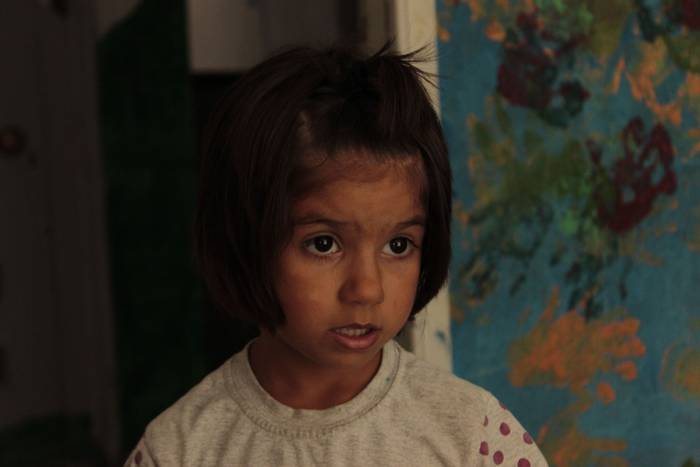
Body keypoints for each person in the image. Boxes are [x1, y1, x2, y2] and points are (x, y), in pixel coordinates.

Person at [124, 43, 549, 467]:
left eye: (398, 245)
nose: (367, 289)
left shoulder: (471, 435)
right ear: (243, 237)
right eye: (324, 244)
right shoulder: (179, 449)